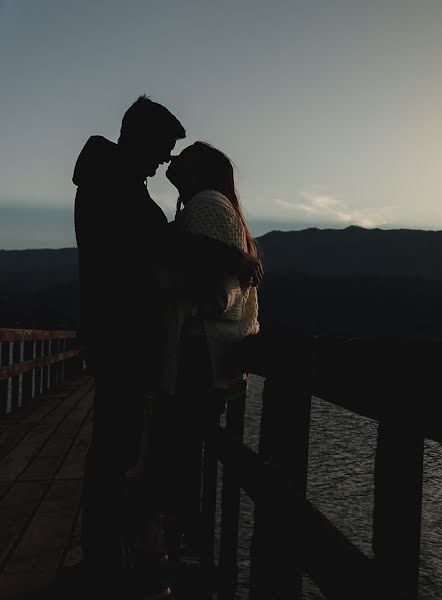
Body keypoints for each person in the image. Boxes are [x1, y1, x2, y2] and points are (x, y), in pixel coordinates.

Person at [72, 96, 260, 599]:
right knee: (118, 448)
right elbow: (161, 247)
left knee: (120, 448)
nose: (164, 160)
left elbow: (161, 245)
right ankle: (107, 562)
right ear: (140, 137)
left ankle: (110, 554)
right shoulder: (113, 185)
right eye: (164, 148)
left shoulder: (113, 181)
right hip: (121, 338)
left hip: (118, 336)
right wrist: (235, 259)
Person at [151, 140, 261, 564]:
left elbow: (217, 291)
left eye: (189, 153)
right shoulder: (207, 205)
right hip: (210, 357)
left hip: (199, 356)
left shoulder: (207, 205)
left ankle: (179, 553)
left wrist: (163, 289)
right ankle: (182, 551)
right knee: (185, 457)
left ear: (205, 169)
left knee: (177, 457)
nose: (177, 157)